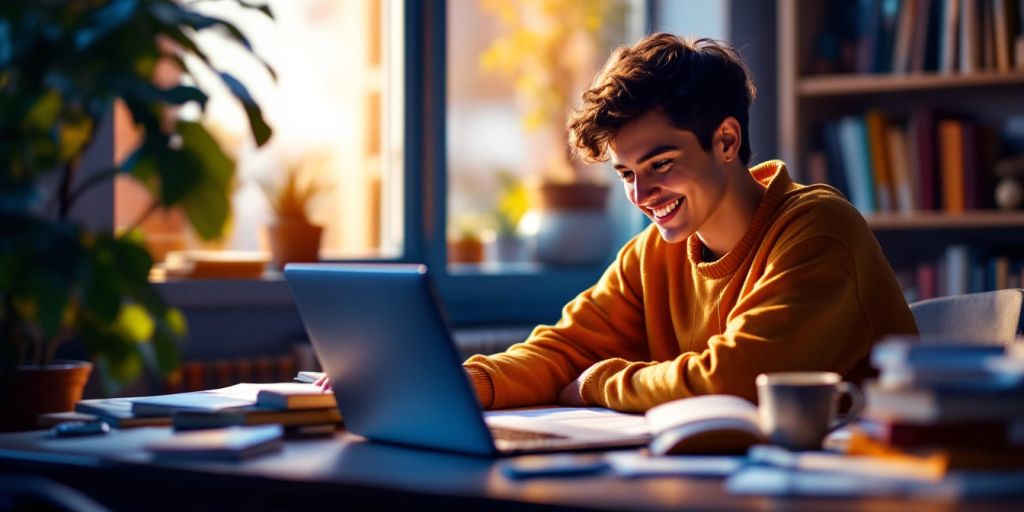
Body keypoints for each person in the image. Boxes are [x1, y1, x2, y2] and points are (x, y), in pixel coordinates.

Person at [320, 33, 918, 412]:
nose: (642, 193)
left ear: (727, 140)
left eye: (659, 164)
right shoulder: (651, 255)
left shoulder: (818, 230)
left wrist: (601, 381)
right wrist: (456, 381)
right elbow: (563, 349)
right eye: (626, 174)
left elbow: (733, 382)